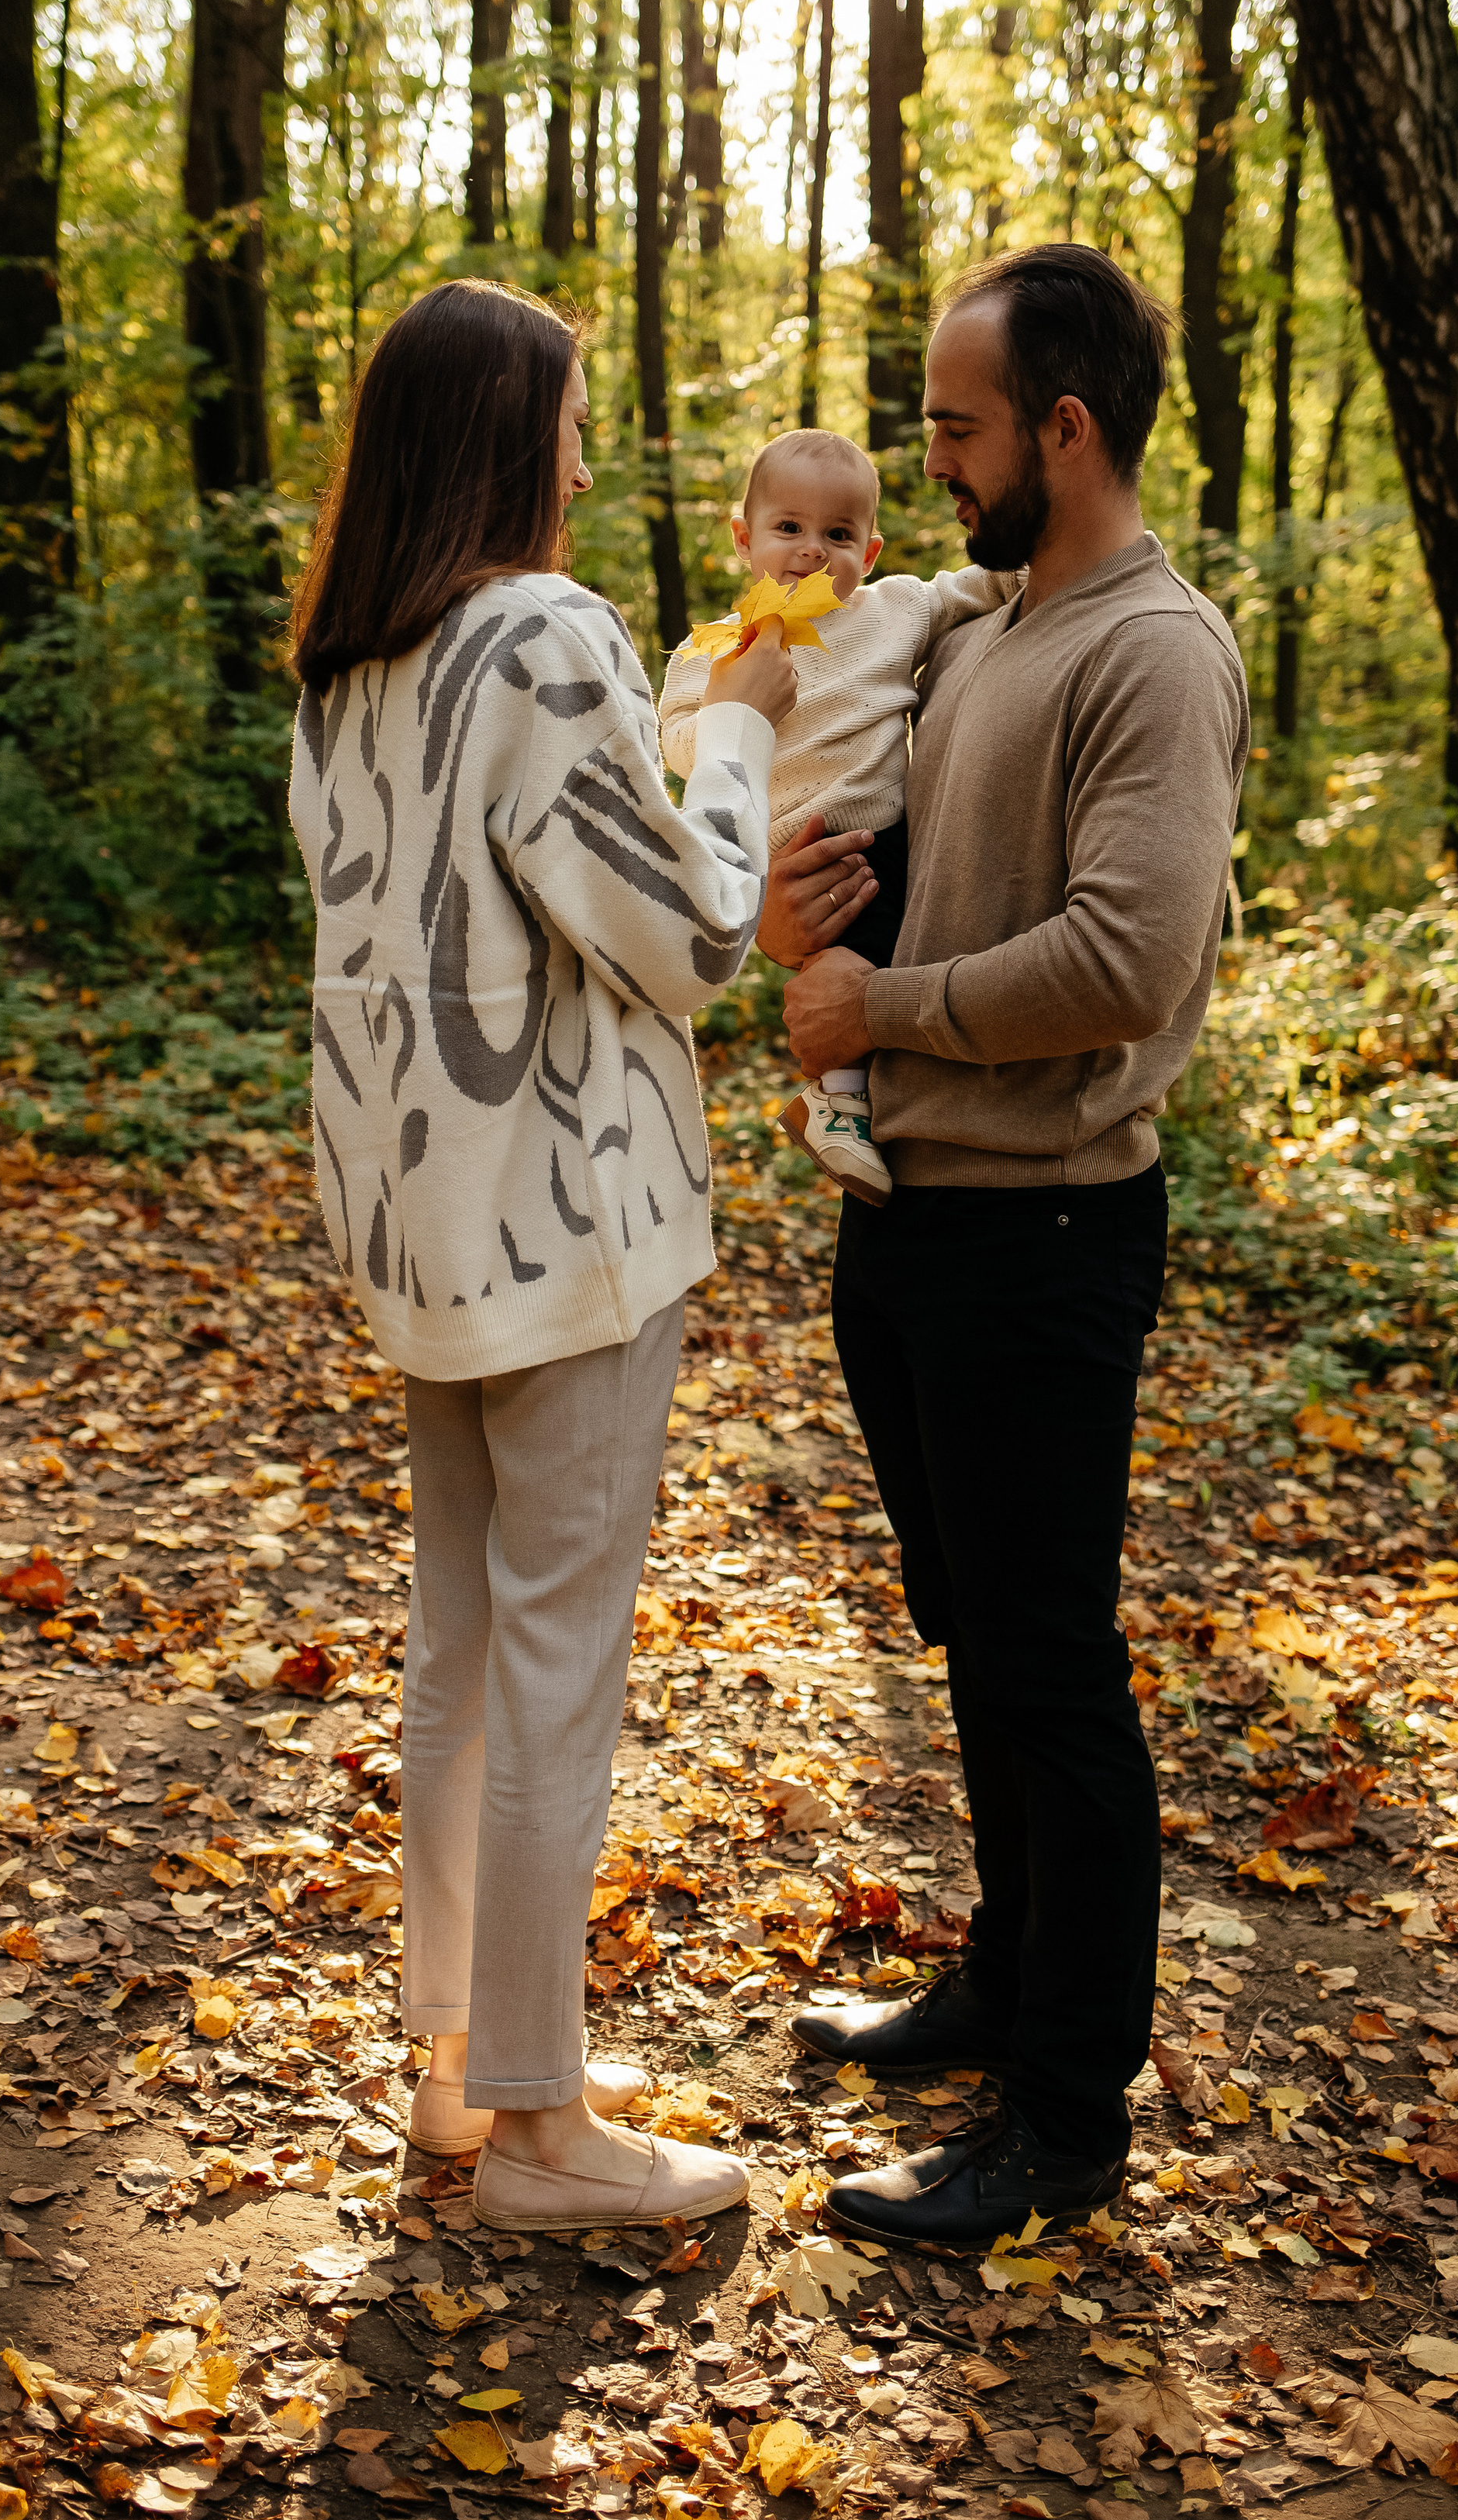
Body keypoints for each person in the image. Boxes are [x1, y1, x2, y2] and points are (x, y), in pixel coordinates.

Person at [288, 278, 798, 2235]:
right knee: (555, 1666)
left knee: (464, 1653)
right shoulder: (542, 635)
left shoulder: (349, 664)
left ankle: (452, 2066)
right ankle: (540, 2131)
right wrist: (737, 744)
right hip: (567, 1230)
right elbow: (688, 938)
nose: (591, 458)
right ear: (508, 434)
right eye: (574, 420)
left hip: (421, 1231)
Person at [760, 244, 1250, 2248]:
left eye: (958, 427)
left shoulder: (1153, 648)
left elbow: (1134, 959)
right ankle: (1000, 1977)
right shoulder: (976, 625)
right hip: (913, 1222)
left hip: (1048, 1227)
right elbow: (881, 847)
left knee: (1052, 1665)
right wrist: (811, 919)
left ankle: (1066, 2112)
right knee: (978, 1635)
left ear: (1064, 425)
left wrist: (892, 1011)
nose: (931, 460)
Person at [656, 427, 1016, 1203]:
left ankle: (854, 1100)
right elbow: (678, 741)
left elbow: (978, 588)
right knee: (843, 962)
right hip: (788, 848)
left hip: (886, 834)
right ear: (745, 539)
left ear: (872, 552)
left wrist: (1047, 558)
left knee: (891, 963)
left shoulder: (893, 612)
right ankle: (838, 1101)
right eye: (789, 528)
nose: (813, 551)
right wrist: (728, 705)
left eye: (838, 534)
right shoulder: (714, 647)